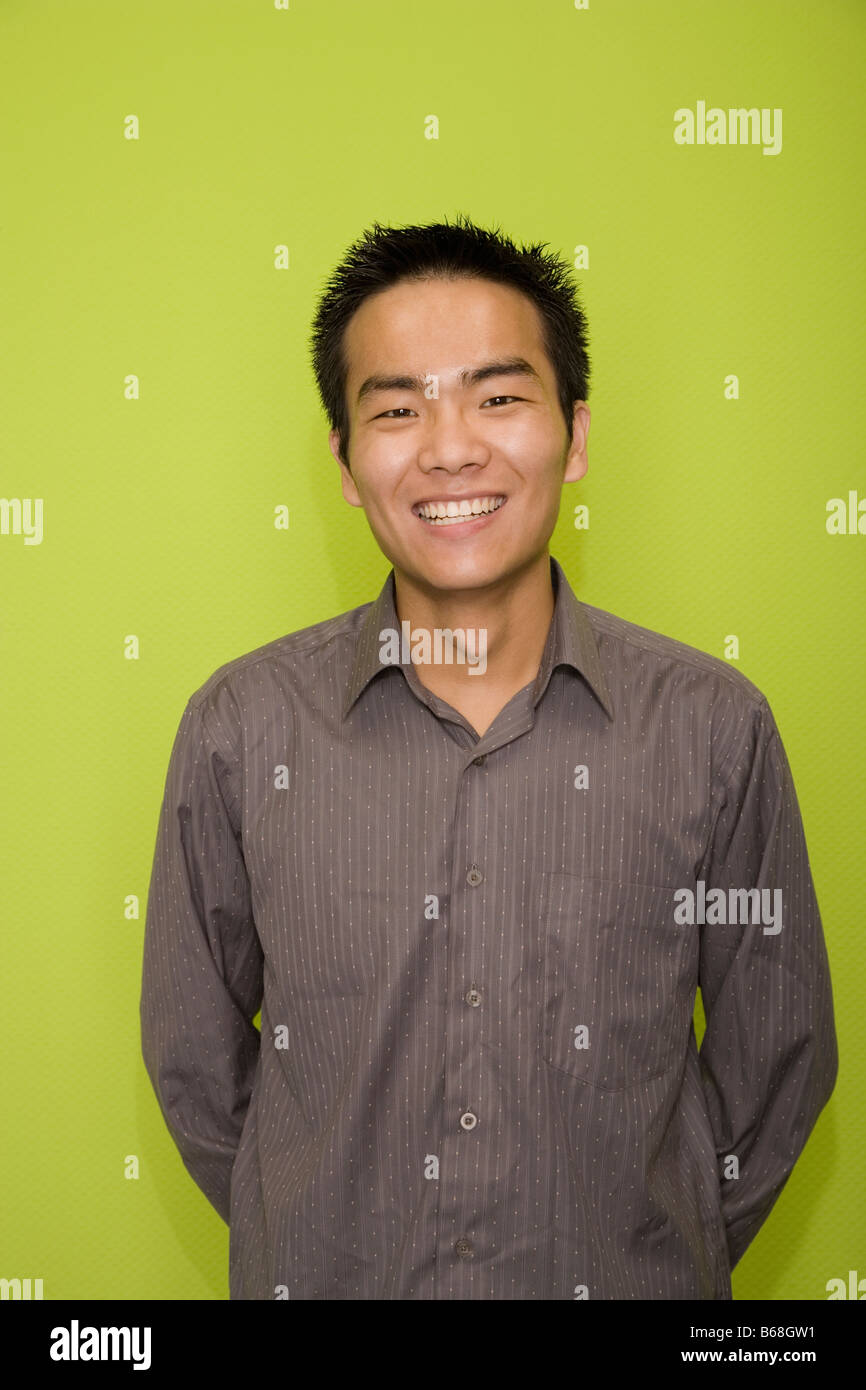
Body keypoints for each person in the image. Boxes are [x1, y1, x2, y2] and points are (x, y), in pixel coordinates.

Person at [140, 214, 838, 1300]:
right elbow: (195, 1063)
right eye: (397, 407)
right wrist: (320, 1224)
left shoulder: (711, 729)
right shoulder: (240, 730)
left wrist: (647, 1243)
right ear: (341, 460)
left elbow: (775, 1063)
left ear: (574, 432)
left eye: (497, 395)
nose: (449, 444)